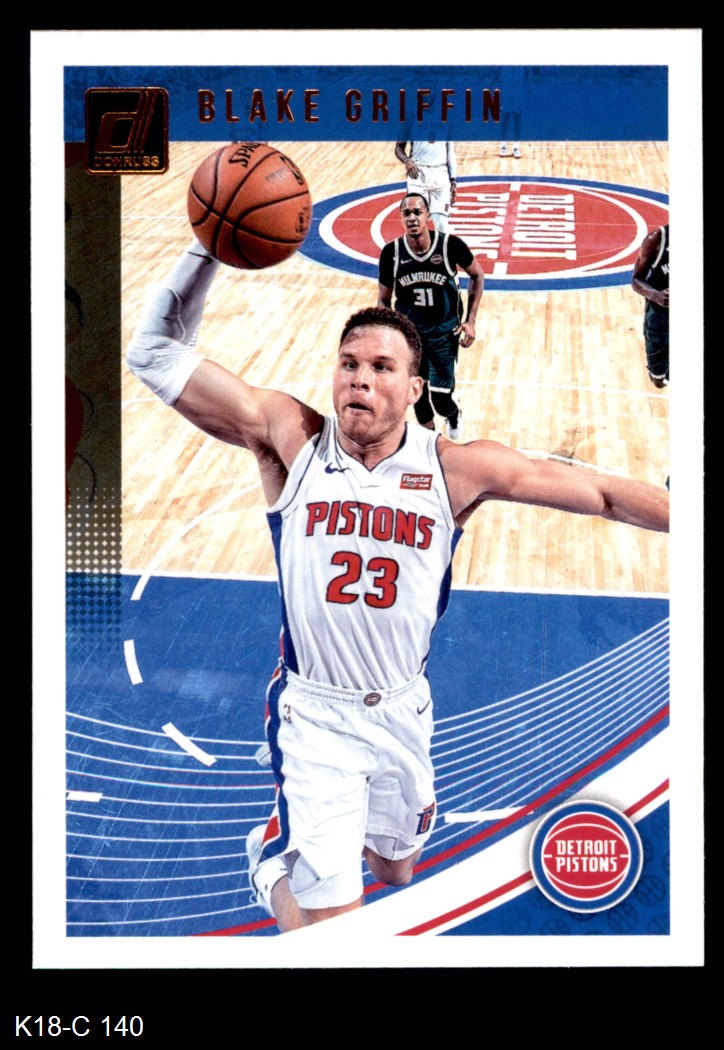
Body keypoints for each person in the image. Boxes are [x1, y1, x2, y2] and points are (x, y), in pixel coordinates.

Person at [126, 240, 669, 933]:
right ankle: (272, 860)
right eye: (348, 364)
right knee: (334, 931)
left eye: (382, 368)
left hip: (403, 707)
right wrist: (207, 247)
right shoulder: (292, 439)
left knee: (395, 869)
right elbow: (153, 352)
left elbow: (603, 494)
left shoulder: (455, 469)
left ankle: (315, 842)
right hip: (315, 717)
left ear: (415, 388)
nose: (360, 379)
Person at [377, 192, 484, 440]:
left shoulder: (450, 246)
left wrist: (470, 321)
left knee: (441, 400)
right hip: (411, 338)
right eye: (406, 213)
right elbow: (383, 299)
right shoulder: (392, 253)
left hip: (444, 335)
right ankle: (431, 444)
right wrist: (386, 335)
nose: (412, 218)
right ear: (400, 219)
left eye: (417, 212)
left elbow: (477, 275)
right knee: (417, 395)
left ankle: (453, 414)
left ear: (428, 216)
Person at [631, 224, 669, 388]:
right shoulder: (657, 239)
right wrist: (655, 295)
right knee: (659, 380)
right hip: (660, 318)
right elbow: (636, 280)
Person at [395, 141, 457, 233]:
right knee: (416, 222)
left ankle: (440, 242)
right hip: (417, 173)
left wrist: (453, 180)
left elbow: (450, 152)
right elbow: (399, 148)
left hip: (440, 174)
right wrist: (407, 161)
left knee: (442, 225)